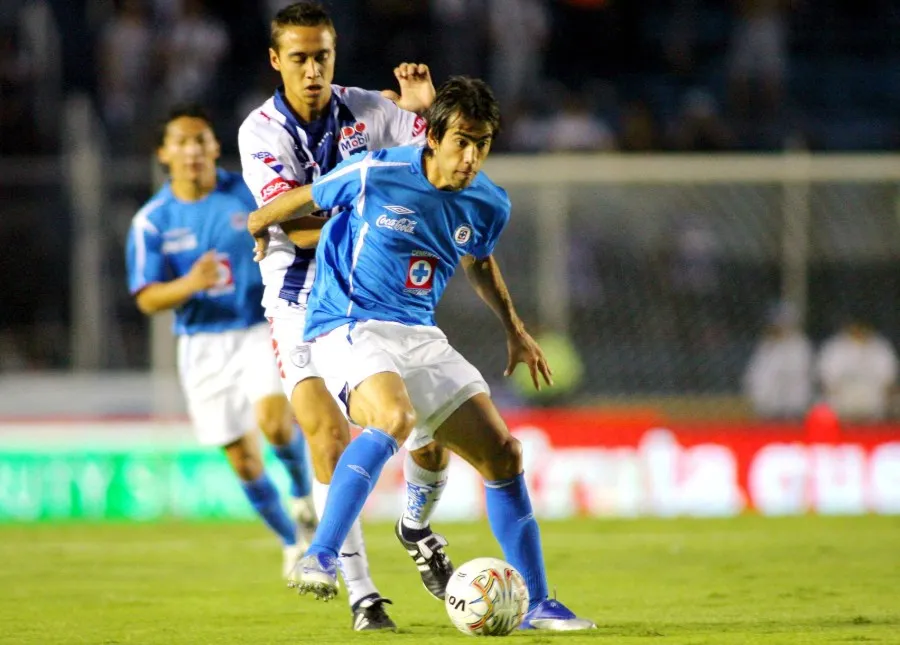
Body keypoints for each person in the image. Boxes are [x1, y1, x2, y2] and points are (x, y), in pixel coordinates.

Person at [264, 76, 595, 631]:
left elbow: (479, 261)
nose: (471, 156)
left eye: (483, 143)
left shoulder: (489, 202)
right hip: (347, 322)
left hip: (417, 333)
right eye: (462, 140)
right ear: (434, 136)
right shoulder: (379, 170)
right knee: (394, 418)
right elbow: (303, 198)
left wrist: (515, 328)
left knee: (504, 455)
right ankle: (320, 555)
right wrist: (256, 224)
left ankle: (538, 603)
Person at [237, 1, 452, 631]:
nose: (312, 71)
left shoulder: (371, 110)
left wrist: (423, 112)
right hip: (300, 301)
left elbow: (439, 170)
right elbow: (297, 232)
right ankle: (363, 596)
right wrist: (371, 204)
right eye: (299, 58)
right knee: (327, 437)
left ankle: (416, 526)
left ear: (335, 55)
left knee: (430, 439)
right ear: (277, 61)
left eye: (322, 57)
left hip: (375, 295)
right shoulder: (260, 132)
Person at [125, 105, 316, 582]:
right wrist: (189, 283)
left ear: (215, 148)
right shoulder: (152, 221)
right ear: (164, 154)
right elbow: (147, 298)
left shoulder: (247, 194)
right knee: (243, 460)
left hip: (257, 325)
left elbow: (293, 228)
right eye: (182, 142)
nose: (193, 150)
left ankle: (302, 491)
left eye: (201, 140)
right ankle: (292, 544)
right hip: (201, 345)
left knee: (274, 424)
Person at [742, 301, 813, 420]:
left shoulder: (799, 345)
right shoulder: (766, 345)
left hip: (792, 408)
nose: (777, 326)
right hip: (767, 408)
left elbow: (797, 373)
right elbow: (755, 374)